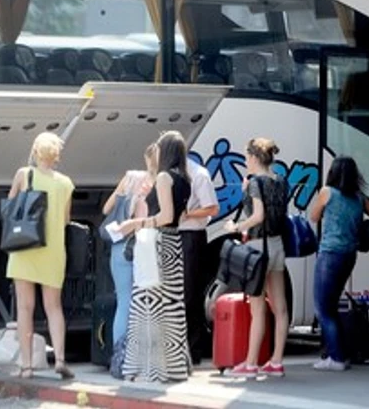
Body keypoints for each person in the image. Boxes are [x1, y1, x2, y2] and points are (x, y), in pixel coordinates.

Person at [120, 132, 192, 383]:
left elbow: (165, 216)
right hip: (174, 245)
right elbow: (181, 216)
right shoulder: (184, 178)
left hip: (157, 243)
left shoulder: (163, 177)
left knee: (146, 306)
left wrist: (136, 223)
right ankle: (172, 368)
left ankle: (146, 369)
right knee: (171, 308)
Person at [5, 132, 75, 380]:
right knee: (53, 307)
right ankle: (60, 359)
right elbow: (65, 219)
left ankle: (26, 366)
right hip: (53, 250)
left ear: (35, 152)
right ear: (56, 156)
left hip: (25, 247)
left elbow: (11, 205)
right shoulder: (66, 183)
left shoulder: (24, 175)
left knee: (25, 308)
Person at [226, 138, 291, 378]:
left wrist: (236, 227)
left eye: (246, 157)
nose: (245, 162)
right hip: (277, 245)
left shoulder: (255, 183)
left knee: (258, 308)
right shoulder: (281, 181)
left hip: (257, 247)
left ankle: (251, 363)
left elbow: (258, 216)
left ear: (254, 158)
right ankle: (276, 361)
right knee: (280, 307)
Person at [309, 156, 369, 372]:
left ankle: (336, 357)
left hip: (330, 254)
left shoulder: (327, 192)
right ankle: (337, 353)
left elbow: (313, 217)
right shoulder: (360, 197)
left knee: (322, 308)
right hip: (349, 255)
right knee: (332, 304)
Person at [101, 145, 156, 345]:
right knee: (149, 304)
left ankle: (120, 354)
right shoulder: (162, 182)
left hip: (121, 244)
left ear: (146, 158)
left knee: (124, 302)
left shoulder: (130, 178)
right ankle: (142, 353)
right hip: (148, 245)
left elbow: (106, 209)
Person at [179, 156, 220, 365]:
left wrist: (187, 214)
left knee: (190, 292)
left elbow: (212, 208)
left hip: (192, 235)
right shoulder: (171, 173)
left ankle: (193, 348)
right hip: (176, 234)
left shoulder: (199, 174)